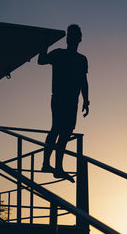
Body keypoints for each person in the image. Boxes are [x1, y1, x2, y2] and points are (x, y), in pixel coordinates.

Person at [38, 24, 90, 182]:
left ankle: (56, 167)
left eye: (75, 35)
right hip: (60, 98)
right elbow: (41, 60)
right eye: (70, 35)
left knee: (64, 132)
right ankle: (49, 164)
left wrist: (86, 100)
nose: (72, 38)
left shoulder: (81, 60)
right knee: (57, 129)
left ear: (79, 39)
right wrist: (44, 43)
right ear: (68, 38)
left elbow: (83, 81)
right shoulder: (59, 54)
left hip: (72, 100)